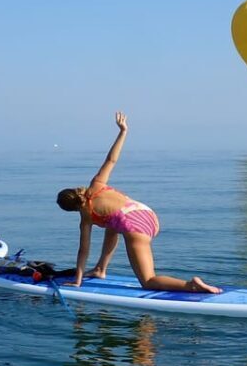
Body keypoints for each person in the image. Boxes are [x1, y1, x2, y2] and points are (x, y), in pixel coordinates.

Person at [56, 112, 221, 293]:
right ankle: (100, 269)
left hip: (135, 226)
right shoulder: (96, 184)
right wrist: (123, 131)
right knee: (112, 224)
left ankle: (191, 285)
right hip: (147, 213)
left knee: (148, 280)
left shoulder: (86, 217)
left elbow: (83, 251)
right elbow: (111, 159)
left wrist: (77, 281)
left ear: (71, 209)